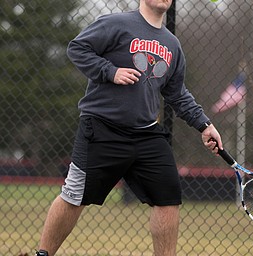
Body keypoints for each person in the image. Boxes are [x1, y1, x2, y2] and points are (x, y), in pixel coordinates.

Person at [35, 0, 223, 255]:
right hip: (102, 129)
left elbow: (177, 94)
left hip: (147, 135)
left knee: (168, 198)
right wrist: (110, 71)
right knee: (74, 195)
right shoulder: (116, 24)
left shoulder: (173, 45)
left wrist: (205, 125)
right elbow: (78, 48)